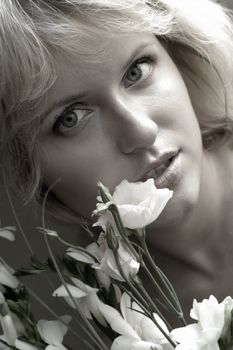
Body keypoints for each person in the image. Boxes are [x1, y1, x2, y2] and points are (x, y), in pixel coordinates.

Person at [1, 0, 233, 325]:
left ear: (178, 55)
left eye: (137, 71)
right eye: (71, 118)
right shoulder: (76, 323)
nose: (141, 132)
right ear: (26, 168)